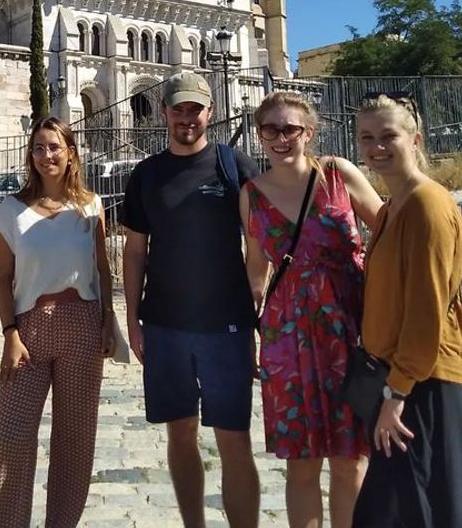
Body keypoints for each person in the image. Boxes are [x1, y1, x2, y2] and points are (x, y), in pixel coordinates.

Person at [121, 71, 260, 528]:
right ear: (163, 112)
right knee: (180, 436)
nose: (186, 118)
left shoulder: (232, 163)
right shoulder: (146, 174)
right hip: (165, 325)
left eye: (194, 109)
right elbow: (135, 249)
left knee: (233, 439)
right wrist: (133, 318)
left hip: (226, 325)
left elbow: (260, 238)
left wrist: (258, 296)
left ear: (210, 112)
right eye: (178, 109)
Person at [240, 91, 382, 527]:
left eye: (291, 129)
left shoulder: (338, 174)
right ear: (259, 134)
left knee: (350, 459)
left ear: (310, 133)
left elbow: (388, 229)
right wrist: (249, 336)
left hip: (350, 331)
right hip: (287, 340)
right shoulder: (251, 194)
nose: (281, 138)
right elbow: (256, 272)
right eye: (271, 129)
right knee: (301, 465)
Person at [0, 117, 115, 528]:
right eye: (39, 148)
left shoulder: (90, 207)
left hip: (82, 321)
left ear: (71, 152)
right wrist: (10, 333)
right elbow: (1, 279)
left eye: (55, 147)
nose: (47, 156)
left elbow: (102, 267)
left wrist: (109, 320)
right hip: (29, 328)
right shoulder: (11, 211)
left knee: (75, 438)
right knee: (11, 436)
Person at [352, 94, 462, 527]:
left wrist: (395, 396)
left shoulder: (426, 205)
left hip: (421, 384)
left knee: (417, 511)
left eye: (387, 136)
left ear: (415, 139)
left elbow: (426, 309)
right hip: (402, 378)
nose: (376, 146)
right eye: (366, 137)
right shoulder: (392, 206)